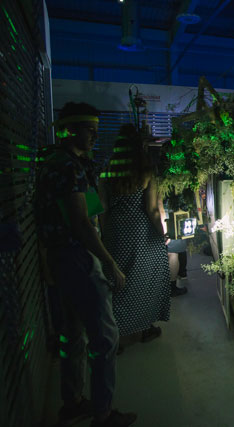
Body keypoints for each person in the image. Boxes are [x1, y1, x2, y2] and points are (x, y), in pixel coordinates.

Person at [36, 102, 136, 426]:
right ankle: (103, 414)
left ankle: (73, 401)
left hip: (62, 258)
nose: (94, 135)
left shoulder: (64, 162)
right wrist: (110, 263)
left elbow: (92, 208)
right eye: (88, 129)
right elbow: (82, 223)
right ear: (69, 130)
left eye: (95, 129)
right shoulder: (67, 166)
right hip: (77, 257)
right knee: (105, 339)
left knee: (72, 334)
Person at [99, 125, 170, 345]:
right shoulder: (146, 171)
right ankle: (145, 326)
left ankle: (116, 337)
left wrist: (105, 234)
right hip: (140, 233)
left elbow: (101, 209)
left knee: (117, 282)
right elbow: (151, 210)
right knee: (146, 281)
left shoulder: (106, 172)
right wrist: (162, 234)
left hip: (114, 231)